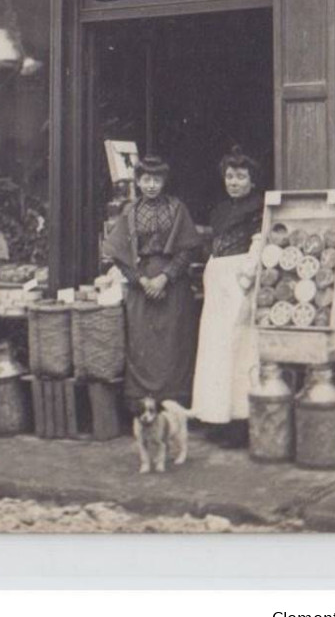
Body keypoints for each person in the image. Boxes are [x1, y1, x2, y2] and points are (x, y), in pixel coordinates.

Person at [102, 155, 203, 412]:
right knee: (141, 343)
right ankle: (142, 404)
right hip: (141, 286)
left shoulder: (177, 208)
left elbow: (188, 249)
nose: (151, 185)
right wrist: (141, 280)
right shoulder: (130, 212)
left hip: (173, 285)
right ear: (137, 181)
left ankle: (174, 403)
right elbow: (118, 253)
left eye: (156, 179)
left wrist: (165, 277)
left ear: (164, 181)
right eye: (146, 179)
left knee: (173, 343)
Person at [191, 145, 264, 448]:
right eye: (230, 176)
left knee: (239, 348)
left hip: (240, 282)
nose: (234, 182)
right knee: (215, 349)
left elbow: (259, 244)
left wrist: (247, 275)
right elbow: (214, 244)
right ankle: (215, 416)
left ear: (252, 180)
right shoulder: (219, 210)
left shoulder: (259, 207)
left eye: (240, 176)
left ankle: (240, 421)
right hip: (218, 283)